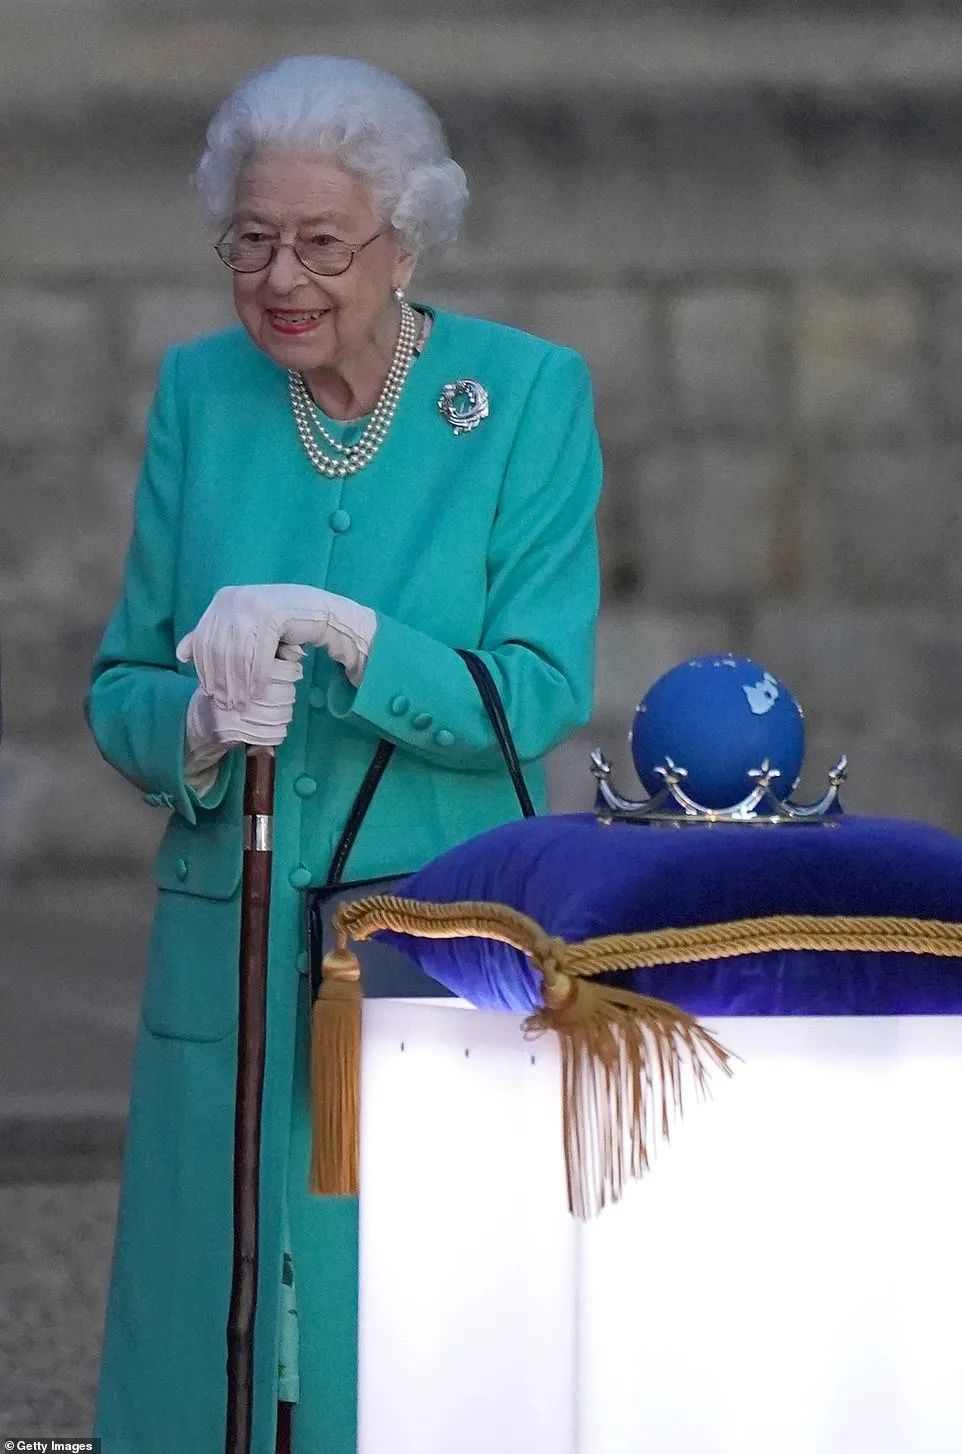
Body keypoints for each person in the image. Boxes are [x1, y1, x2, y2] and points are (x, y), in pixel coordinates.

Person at [86, 54, 602, 1454]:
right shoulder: (202, 392)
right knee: (209, 1327)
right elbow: (122, 679)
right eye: (251, 241)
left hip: (424, 941)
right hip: (229, 945)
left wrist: (355, 637)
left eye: (323, 244)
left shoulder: (523, 396)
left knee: (404, 1323)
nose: (282, 278)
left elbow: (538, 692)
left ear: (404, 242)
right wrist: (194, 727)